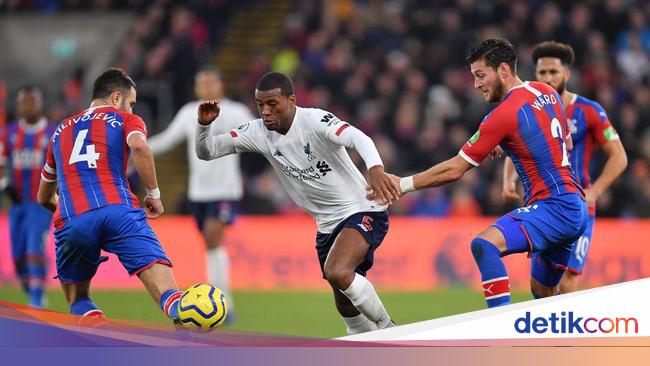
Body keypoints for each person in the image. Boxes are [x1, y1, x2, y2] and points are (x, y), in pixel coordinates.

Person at [195, 71, 400, 334]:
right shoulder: (257, 132)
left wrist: (375, 169)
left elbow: (359, 138)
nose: (265, 112)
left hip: (362, 208)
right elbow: (207, 151)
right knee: (343, 297)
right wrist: (203, 126)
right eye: (260, 105)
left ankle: (389, 330)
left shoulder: (314, 120)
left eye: (272, 104)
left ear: (291, 101)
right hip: (326, 225)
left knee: (337, 271)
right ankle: (362, 345)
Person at [388, 38, 588, 308]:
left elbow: (455, 169)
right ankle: (577, 338)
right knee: (544, 295)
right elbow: (565, 142)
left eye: (481, 75)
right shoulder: (547, 92)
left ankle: (500, 331)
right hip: (576, 206)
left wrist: (402, 184)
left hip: (554, 207)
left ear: (503, 70)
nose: (476, 84)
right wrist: (513, 142)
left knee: (484, 245)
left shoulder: (503, 115)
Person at [36, 68, 183, 324]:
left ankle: (98, 334)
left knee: (79, 300)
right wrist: (154, 194)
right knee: (171, 296)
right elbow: (139, 146)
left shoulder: (59, 132)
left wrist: (74, 213)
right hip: (120, 211)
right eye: (132, 103)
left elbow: (43, 197)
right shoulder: (125, 120)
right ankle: (189, 340)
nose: (132, 110)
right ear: (116, 98)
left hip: (72, 221)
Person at [503, 41, 627, 293]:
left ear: (566, 74)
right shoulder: (529, 110)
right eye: (542, 72)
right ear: (535, 74)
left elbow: (619, 157)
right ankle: (551, 330)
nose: (547, 78)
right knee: (540, 286)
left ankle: (568, 331)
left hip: (578, 205)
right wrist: (508, 180)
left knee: (569, 278)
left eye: (553, 72)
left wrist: (595, 192)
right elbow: (516, 146)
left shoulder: (589, 111)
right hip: (543, 205)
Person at [148, 65, 253, 317]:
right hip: (198, 192)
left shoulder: (236, 112)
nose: (206, 87)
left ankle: (224, 303)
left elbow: (258, 135)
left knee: (213, 237)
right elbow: (167, 140)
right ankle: (219, 300)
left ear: (220, 86)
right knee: (210, 244)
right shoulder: (187, 113)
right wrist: (137, 147)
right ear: (196, 87)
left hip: (226, 190)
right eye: (202, 83)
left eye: (210, 83)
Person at [0, 86, 55, 308]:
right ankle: (32, 286)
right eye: (24, 102)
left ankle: (36, 297)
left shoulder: (52, 133)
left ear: (39, 104)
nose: (28, 106)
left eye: (32, 102)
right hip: (18, 204)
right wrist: (4, 184)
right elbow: (2, 165)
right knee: (18, 257)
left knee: (34, 247)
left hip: (40, 203)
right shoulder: (9, 133)